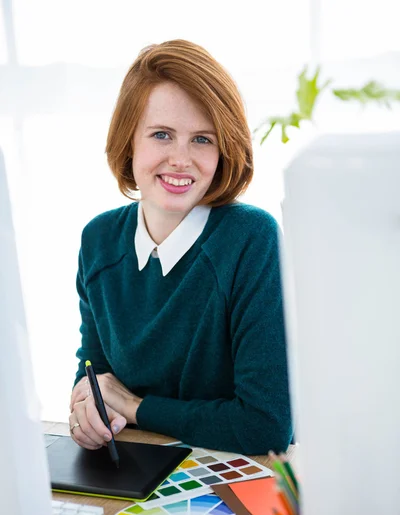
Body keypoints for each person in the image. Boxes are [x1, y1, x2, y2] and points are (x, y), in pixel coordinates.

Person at [69, 39, 292, 455]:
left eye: (202, 140)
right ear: (129, 141)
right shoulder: (98, 241)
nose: (181, 159)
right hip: (133, 471)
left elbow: (266, 425)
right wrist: (87, 410)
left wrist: (137, 409)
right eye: (161, 135)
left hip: (235, 477)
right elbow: (95, 375)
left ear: (224, 149)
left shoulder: (251, 239)